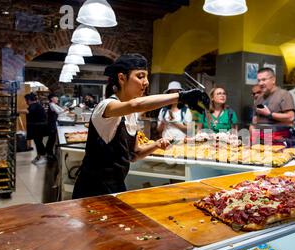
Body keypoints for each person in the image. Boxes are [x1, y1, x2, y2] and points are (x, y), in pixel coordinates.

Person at [72, 53, 208, 199]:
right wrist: (181, 96)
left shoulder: (131, 114)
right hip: (92, 190)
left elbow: (134, 154)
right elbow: (135, 105)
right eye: (140, 76)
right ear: (122, 78)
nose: (146, 82)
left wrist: (156, 144)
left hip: (115, 186)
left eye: (146, 77)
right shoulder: (105, 106)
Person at [250, 68, 295, 145]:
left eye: (264, 80)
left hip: (277, 138)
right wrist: (254, 136)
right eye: (259, 80)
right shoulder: (259, 98)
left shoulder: (284, 94)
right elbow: (254, 121)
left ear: (273, 80)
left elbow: (291, 117)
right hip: (259, 138)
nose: (260, 83)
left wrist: (269, 114)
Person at [22, 93, 48, 165]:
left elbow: (27, 111)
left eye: (26, 100)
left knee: (39, 143)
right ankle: (39, 156)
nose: (26, 102)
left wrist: (17, 111)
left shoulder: (35, 106)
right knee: (37, 142)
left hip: (39, 128)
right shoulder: (35, 105)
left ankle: (43, 157)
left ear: (29, 100)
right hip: (38, 127)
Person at [46, 93, 69, 161]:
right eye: (56, 97)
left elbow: (60, 110)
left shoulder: (54, 104)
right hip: (51, 124)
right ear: (52, 99)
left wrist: (64, 109)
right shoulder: (52, 105)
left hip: (53, 123)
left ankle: (49, 152)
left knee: (52, 139)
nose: (57, 99)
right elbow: (59, 111)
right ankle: (49, 153)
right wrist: (64, 109)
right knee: (51, 139)